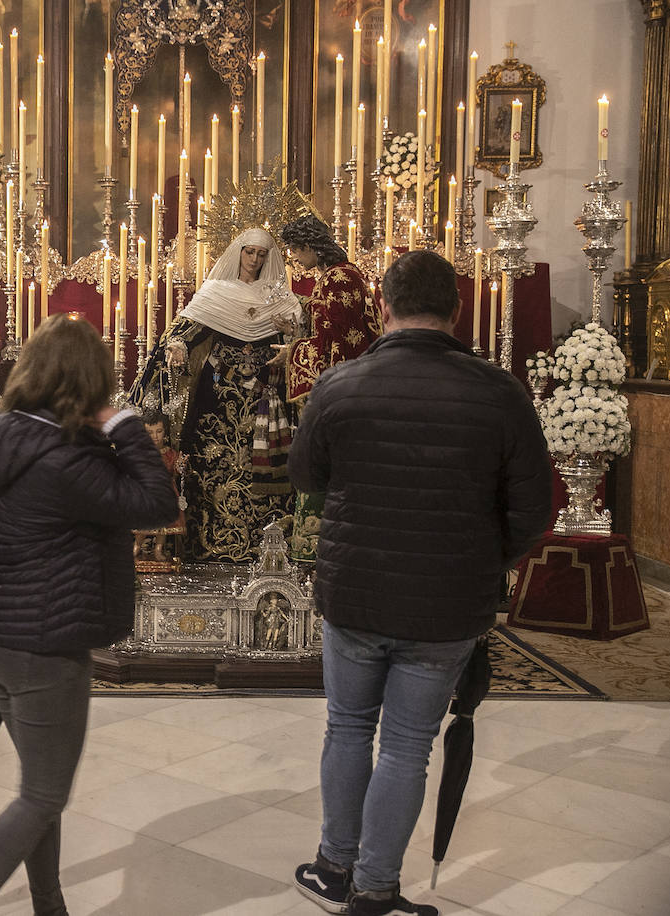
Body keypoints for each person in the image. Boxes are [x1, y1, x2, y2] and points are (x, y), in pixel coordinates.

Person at [289, 251, 552, 916]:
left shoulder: (340, 384)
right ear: (457, 310)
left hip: (356, 590)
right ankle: (375, 889)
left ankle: (332, 867)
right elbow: (532, 509)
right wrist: (487, 561)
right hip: (448, 601)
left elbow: (307, 477)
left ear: (383, 305)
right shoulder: (499, 392)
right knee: (408, 745)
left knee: (347, 728)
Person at [0, 313, 179, 915]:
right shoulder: (66, 460)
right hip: (43, 643)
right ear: (90, 383)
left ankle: (50, 906)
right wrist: (125, 425)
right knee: (43, 796)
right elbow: (159, 503)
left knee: (38, 789)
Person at [130, 227, 303, 562]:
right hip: (218, 398)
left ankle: (264, 546)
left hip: (266, 398)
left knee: (263, 464)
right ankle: (211, 542)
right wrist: (178, 345)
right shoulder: (216, 291)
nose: (254, 260)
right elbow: (186, 329)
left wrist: (292, 332)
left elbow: (300, 339)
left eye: (262, 254)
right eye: (249, 252)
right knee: (215, 463)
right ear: (237, 252)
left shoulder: (278, 296)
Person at [274, 215, 385, 562]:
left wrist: (292, 352)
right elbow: (332, 320)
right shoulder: (338, 276)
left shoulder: (339, 277)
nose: (294, 258)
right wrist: (302, 312)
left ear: (309, 246)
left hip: (341, 390)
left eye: (295, 250)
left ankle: (322, 544)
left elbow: (338, 341)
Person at [132, 410, 185, 562]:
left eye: (159, 431)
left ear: (165, 432)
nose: (155, 436)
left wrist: (180, 465)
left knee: (164, 525)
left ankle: (158, 549)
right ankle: (137, 545)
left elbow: (176, 469)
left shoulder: (170, 453)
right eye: (150, 432)